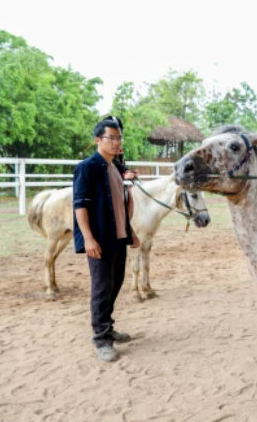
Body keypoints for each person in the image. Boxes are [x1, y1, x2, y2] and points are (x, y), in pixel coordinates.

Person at [73, 118, 141, 362]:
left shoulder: (115, 168)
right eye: (111, 137)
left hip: (119, 237)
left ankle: (108, 327)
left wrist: (129, 230)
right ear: (97, 140)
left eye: (119, 138)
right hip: (99, 239)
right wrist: (88, 238)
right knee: (102, 287)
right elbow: (80, 206)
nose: (116, 142)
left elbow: (119, 206)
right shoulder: (87, 168)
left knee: (115, 283)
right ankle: (101, 339)